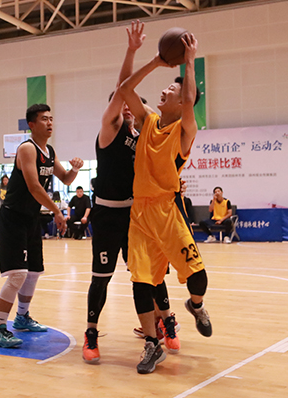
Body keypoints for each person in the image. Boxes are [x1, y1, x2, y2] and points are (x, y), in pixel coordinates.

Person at [83, 20, 179, 364]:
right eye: (120, 102)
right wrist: (133, 52)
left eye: (129, 103)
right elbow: (123, 88)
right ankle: (91, 333)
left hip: (138, 214)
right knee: (102, 278)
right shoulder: (110, 130)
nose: (126, 105)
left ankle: (166, 323)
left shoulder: (143, 134)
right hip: (107, 214)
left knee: (151, 275)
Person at [118, 28, 212, 375]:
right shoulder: (148, 121)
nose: (164, 91)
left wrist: (189, 61)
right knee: (141, 282)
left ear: (182, 102)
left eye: (171, 90)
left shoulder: (185, 130)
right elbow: (125, 90)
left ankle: (196, 306)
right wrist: (156, 61)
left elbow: (189, 97)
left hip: (168, 211)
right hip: (140, 213)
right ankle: (151, 344)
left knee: (198, 278)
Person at [0, 103, 83, 348]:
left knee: (33, 272)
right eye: (44, 119)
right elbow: (34, 187)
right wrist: (57, 211)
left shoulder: (49, 151)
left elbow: (65, 179)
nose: (49, 122)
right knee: (17, 275)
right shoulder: (27, 149)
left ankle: (22, 317)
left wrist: (74, 169)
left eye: (51, 118)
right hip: (13, 218)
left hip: (31, 218)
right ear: (32, 125)